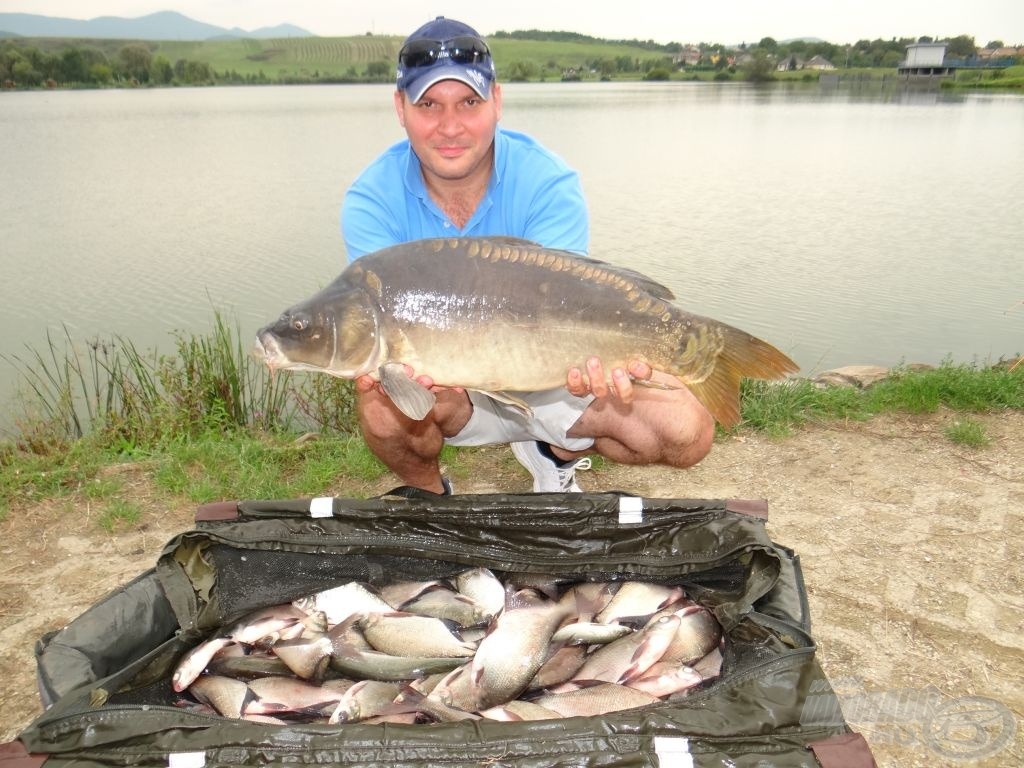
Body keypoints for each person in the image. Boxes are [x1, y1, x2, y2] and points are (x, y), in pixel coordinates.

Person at [341, 16, 713, 494]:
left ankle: (554, 449)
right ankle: (433, 499)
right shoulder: (371, 199)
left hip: (549, 374)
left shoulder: (548, 182)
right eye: (429, 104)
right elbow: (378, 329)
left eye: (469, 102)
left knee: (687, 433)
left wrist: (600, 364)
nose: (450, 126)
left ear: (496, 101)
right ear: (400, 108)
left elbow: (571, 298)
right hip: (451, 393)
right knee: (379, 401)